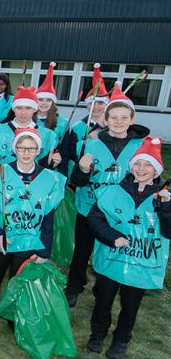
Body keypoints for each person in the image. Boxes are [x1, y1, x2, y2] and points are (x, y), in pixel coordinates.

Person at [86, 137, 171, 359]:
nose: (141, 169)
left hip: (141, 262)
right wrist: (112, 237)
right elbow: (94, 219)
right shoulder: (114, 190)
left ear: (157, 169)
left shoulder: (164, 197)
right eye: (137, 164)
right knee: (103, 300)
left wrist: (165, 209)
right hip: (113, 257)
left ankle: (122, 339)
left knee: (130, 304)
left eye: (148, 165)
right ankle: (97, 334)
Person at [65, 84, 150, 306]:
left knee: (114, 250)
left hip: (121, 212)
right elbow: (76, 181)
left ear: (132, 119)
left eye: (124, 117)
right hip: (89, 206)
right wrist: (82, 170)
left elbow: (149, 178)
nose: (119, 122)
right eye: (114, 117)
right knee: (82, 250)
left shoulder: (140, 146)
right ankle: (74, 285)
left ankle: (105, 289)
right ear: (105, 119)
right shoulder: (89, 143)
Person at [0, 129, 66, 339]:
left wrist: (44, 249)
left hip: (28, 241)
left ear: (38, 150)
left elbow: (48, 216)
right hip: (2, 241)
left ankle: (11, 314)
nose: (26, 153)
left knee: (18, 281)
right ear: (14, 149)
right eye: (21, 148)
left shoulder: (49, 179)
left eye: (31, 148)